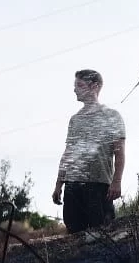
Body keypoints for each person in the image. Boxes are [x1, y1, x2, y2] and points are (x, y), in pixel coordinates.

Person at [52, 70, 126, 234]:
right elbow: (68, 153)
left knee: (102, 234)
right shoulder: (75, 119)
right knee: (75, 235)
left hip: (98, 185)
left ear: (94, 86)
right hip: (73, 186)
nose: (75, 90)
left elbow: (119, 153)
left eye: (79, 85)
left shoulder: (112, 116)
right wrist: (59, 184)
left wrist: (117, 181)